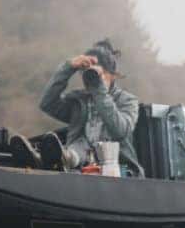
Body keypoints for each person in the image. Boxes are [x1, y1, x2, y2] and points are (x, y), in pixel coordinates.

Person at [10, 39, 144, 176]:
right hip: (80, 166)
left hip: (117, 170)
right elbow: (47, 104)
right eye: (88, 74)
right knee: (79, 145)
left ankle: (57, 159)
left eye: (100, 75)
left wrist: (99, 91)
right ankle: (48, 160)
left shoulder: (127, 101)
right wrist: (68, 67)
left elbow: (119, 131)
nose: (93, 80)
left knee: (89, 148)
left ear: (113, 75)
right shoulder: (79, 100)